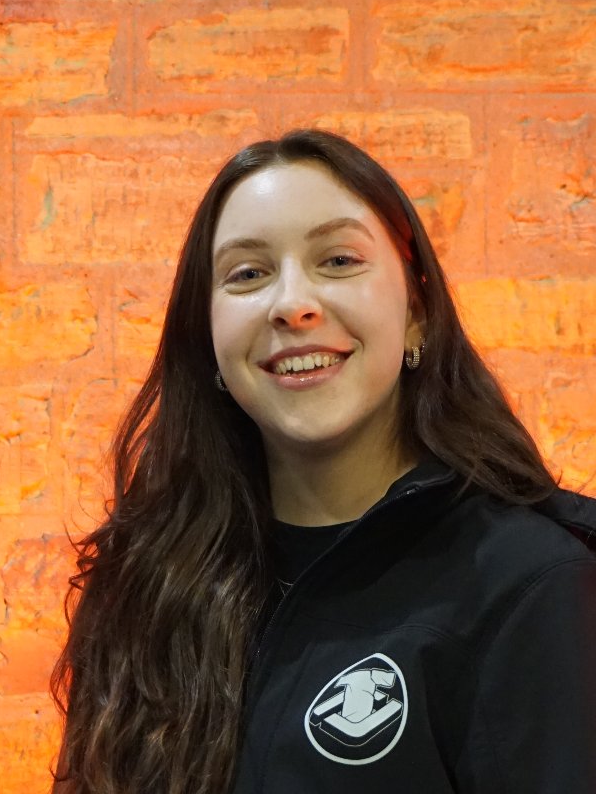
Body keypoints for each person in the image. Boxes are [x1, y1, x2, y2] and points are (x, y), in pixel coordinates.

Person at [51, 129, 596, 794]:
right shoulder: (149, 581)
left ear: (417, 312)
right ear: (208, 336)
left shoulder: (530, 585)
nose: (292, 305)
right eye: (248, 274)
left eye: (338, 260)